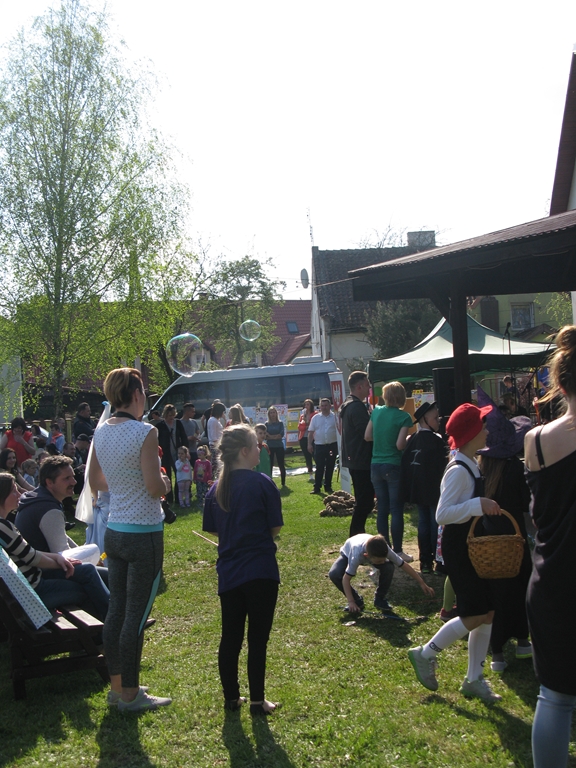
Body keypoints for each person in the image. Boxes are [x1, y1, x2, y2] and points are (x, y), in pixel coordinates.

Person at [408, 402, 504, 703]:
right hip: (460, 548)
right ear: (472, 433)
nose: (487, 430)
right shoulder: (459, 470)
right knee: (475, 613)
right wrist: (478, 505)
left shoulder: (469, 463)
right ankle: (425, 653)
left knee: (487, 613)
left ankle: (474, 678)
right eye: (483, 426)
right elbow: (442, 514)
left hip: (470, 544)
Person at [89, 367, 173, 712]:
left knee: (116, 611)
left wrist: (126, 481)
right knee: (135, 617)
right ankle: (131, 694)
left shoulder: (101, 431)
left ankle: (117, 687)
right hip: (143, 535)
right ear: (137, 395)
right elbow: (154, 488)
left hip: (115, 531)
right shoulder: (145, 431)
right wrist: (164, 483)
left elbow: (95, 480)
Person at [202, 424, 283, 715]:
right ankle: (258, 701)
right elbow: (275, 527)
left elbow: (214, 529)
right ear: (246, 451)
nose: (260, 448)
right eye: (256, 445)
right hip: (261, 570)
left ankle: (231, 698)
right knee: (257, 640)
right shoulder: (262, 483)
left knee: (231, 638)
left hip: (230, 573)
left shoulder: (216, 489)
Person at [524, 326, 576, 768]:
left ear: (559, 383)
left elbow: (537, 513)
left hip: (552, 581)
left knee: (555, 698)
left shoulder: (535, 440)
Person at [0, 472, 109, 621]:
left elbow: (29, 553)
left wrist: (59, 558)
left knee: (91, 571)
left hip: (33, 582)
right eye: (13, 491)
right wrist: (62, 563)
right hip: (34, 591)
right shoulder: (3, 527)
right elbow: (32, 558)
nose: (19, 494)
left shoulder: (4, 525)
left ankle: (114, 619)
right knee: (86, 584)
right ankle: (111, 624)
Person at [477, 409, 533, 672]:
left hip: (487, 540)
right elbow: (525, 502)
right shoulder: (515, 468)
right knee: (520, 586)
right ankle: (523, 641)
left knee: (494, 594)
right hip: (515, 538)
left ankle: (497, 653)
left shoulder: (481, 468)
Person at [364, 381, 413, 561]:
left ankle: (383, 550)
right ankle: (398, 551)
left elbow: (367, 436)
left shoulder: (376, 412)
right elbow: (400, 445)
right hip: (393, 464)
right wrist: (408, 439)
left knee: (382, 508)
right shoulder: (404, 417)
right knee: (396, 509)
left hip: (375, 464)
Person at [329, 533, 434, 614]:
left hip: (368, 549)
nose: (382, 562)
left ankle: (380, 598)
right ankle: (357, 601)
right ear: (367, 556)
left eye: (384, 559)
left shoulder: (384, 549)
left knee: (388, 567)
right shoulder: (356, 555)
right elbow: (346, 579)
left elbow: (403, 564)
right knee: (334, 574)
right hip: (348, 552)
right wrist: (351, 601)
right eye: (379, 561)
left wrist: (421, 582)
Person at [400, 402, 448, 573]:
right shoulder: (437, 441)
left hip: (418, 489)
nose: (438, 421)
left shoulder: (412, 440)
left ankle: (425, 561)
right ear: (425, 420)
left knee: (423, 522)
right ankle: (438, 560)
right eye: (435, 418)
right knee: (435, 523)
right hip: (434, 489)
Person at [339, 371, 374, 537]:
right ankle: (355, 535)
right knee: (365, 501)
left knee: (364, 501)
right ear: (359, 386)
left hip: (355, 458)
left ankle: (357, 534)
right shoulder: (356, 407)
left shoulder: (349, 405)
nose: (369, 388)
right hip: (361, 459)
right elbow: (367, 433)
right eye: (367, 385)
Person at [156, 404, 188, 504]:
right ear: (165, 415)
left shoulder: (178, 423)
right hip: (165, 454)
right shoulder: (160, 426)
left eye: (173, 415)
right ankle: (169, 499)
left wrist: (185, 451)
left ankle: (179, 498)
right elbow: (157, 440)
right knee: (167, 475)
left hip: (177, 453)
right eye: (170, 415)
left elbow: (183, 437)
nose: (172, 417)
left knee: (179, 475)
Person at [308, 398, 338, 495]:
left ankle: (328, 486)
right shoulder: (315, 418)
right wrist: (309, 444)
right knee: (319, 466)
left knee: (330, 466)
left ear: (330, 406)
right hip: (319, 445)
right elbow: (311, 432)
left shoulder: (335, 417)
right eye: (322, 406)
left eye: (326, 405)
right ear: (320, 407)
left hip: (332, 445)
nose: (324, 407)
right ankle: (317, 487)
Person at [265, 407, 286, 487]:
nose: (273, 414)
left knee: (281, 464)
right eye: (271, 413)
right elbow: (266, 436)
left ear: (276, 413)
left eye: (274, 412)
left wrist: (271, 436)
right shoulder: (267, 424)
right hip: (270, 446)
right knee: (270, 464)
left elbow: (281, 435)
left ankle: (283, 482)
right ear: (269, 414)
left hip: (279, 446)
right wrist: (273, 437)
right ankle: (269, 481)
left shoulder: (280, 423)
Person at [208, 402, 227, 477]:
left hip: (217, 445)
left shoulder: (216, 420)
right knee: (216, 465)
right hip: (215, 446)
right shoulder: (213, 421)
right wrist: (220, 443)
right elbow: (213, 437)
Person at [298, 399, 315, 479]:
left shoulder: (315, 414)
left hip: (313, 437)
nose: (306, 406)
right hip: (303, 437)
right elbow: (300, 427)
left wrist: (306, 422)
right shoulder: (302, 416)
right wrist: (305, 424)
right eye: (305, 405)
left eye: (308, 404)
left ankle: (321, 471)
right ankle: (310, 473)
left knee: (315, 455)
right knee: (307, 456)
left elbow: (313, 426)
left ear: (311, 406)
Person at [180, 403, 200, 468]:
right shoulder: (179, 423)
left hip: (193, 450)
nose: (194, 413)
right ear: (187, 412)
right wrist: (188, 438)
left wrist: (197, 437)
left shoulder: (194, 422)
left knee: (197, 468)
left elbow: (198, 432)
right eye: (192, 412)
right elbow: (178, 437)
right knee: (184, 469)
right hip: (183, 451)